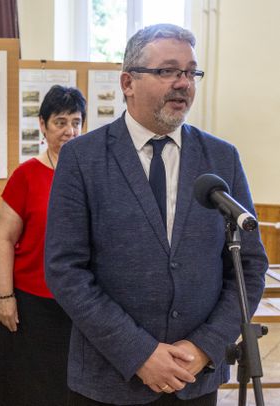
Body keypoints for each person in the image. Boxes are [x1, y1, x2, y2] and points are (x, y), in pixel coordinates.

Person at [44, 24, 268, 405]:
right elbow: (65, 270)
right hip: (110, 380)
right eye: (168, 71)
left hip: (195, 378)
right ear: (128, 82)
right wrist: (140, 353)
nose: (183, 83)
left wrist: (205, 346)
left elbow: (248, 265)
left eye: (191, 72)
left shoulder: (222, 158)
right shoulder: (83, 158)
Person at [0, 85, 86, 406]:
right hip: (31, 303)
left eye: (76, 122)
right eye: (60, 122)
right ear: (43, 125)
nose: (70, 131)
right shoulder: (26, 175)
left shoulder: (92, 175)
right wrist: (5, 297)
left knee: (72, 388)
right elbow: (3, 238)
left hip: (81, 302)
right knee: (29, 388)